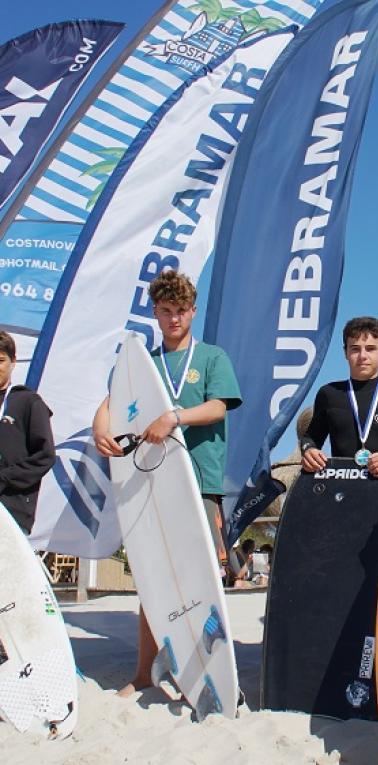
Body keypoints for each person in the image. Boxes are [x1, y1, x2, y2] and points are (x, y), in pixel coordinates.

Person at [92, 269, 242, 697]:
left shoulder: (212, 357)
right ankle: (144, 672)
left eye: (181, 311)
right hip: (154, 485)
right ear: (155, 314)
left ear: (193, 311)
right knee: (154, 579)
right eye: (165, 311)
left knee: (202, 576)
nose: (174, 319)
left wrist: (174, 416)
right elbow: (110, 403)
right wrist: (99, 427)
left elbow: (217, 407)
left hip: (201, 480)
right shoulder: (147, 365)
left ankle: (210, 669)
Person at [299, 317, 378, 476]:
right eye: (355, 349)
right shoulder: (329, 393)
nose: (362, 356)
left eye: (370, 348)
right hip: (338, 489)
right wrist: (309, 451)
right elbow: (310, 438)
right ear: (345, 352)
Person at [0, 331, 55, 535]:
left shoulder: (28, 402)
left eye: (1, 360)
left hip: (11, 511)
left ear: (13, 362)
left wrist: (4, 478)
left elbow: (45, 456)